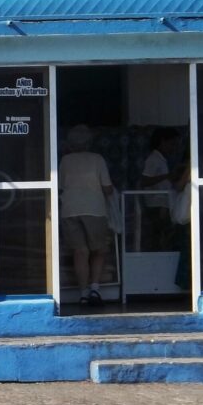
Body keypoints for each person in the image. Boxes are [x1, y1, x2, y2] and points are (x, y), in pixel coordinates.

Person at [58, 125, 114, 306]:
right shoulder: (97, 159)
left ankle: (82, 293)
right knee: (99, 250)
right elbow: (107, 188)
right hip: (95, 209)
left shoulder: (65, 161)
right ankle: (95, 289)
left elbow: (59, 186)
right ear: (90, 142)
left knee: (80, 252)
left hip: (70, 210)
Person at [139, 127, 181, 251]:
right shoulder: (153, 159)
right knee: (159, 235)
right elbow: (145, 180)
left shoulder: (162, 159)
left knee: (164, 234)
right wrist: (167, 176)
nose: (173, 147)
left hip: (163, 203)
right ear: (163, 141)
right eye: (172, 143)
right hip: (156, 204)